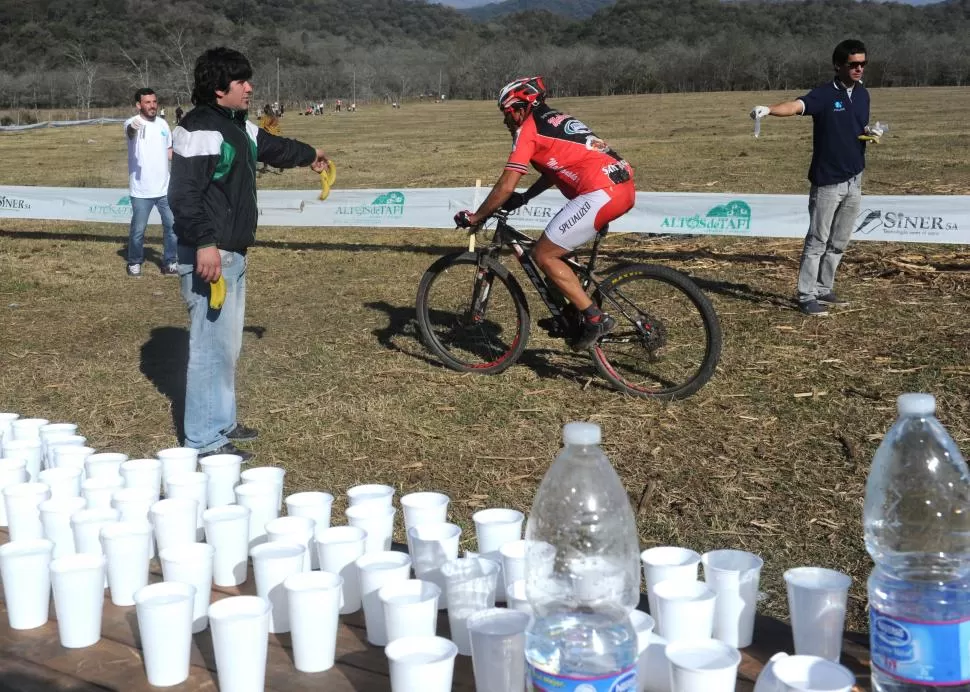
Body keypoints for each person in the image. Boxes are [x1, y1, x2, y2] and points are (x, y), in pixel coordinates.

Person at [169, 47, 330, 459]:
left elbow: (273, 147)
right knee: (209, 347)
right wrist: (204, 243)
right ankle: (203, 440)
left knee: (227, 346)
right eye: (242, 81)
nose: (250, 88)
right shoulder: (200, 129)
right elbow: (184, 196)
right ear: (220, 88)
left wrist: (310, 154)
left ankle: (222, 421)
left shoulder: (237, 126)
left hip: (232, 254)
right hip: (211, 254)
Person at [454, 76, 636, 350]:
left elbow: (506, 183)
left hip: (600, 192)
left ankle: (594, 317)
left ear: (520, 108)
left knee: (543, 254)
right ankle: (570, 314)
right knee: (559, 251)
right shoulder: (555, 119)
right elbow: (554, 170)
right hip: (619, 185)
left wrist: (476, 216)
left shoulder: (528, 130)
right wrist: (526, 198)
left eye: (507, 114)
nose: (506, 121)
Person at [750, 39, 882, 317]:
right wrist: (770, 110)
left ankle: (824, 288)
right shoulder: (824, 94)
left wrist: (871, 132)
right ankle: (806, 294)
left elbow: (858, 126)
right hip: (828, 180)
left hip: (855, 177)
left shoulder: (863, 94)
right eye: (853, 64)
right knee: (818, 239)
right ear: (838, 65)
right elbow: (797, 106)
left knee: (840, 240)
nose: (858, 69)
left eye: (862, 64)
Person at [124, 87, 178, 277]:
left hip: (164, 189)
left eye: (154, 102)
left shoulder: (163, 125)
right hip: (141, 191)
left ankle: (170, 262)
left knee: (172, 227)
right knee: (138, 231)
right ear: (139, 105)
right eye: (147, 102)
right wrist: (134, 127)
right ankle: (134, 262)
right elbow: (130, 132)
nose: (152, 105)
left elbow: (169, 151)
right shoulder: (132, 123)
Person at [257, 104, 281, 174]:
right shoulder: (275, 117)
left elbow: (261, 127)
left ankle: (266, 166)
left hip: (268, 137)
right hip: (276, 136)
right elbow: (278, 127)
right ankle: (278, 165)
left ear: (265, 111)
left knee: (265, 153)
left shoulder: (265, 118)